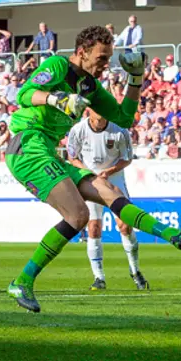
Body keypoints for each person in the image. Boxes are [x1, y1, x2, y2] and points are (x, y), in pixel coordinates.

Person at [6, 25, 181, 313]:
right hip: (27, 146)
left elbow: (125, 118)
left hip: (47, 150)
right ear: (81, 52)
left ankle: (172, 234)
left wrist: (136, 78)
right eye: (101, 58)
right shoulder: (59, 65)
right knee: (78, 215)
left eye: (108, 58)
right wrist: (56, 98)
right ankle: (22, 281)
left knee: (109, 191)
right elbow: (25, 94)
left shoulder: (89, 86)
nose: (106, 65)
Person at [68, 109, 149, 291]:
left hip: (114, 178)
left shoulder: (119, 130)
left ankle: (135, 271)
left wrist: (109, 171)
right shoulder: (78, 130)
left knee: (124, 225)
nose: (100, 110)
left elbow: (126, 159)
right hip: (90, 180)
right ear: (89, 110)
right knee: (94, 228)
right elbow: (72, 157)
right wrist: (88, 172)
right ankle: (99, 277)